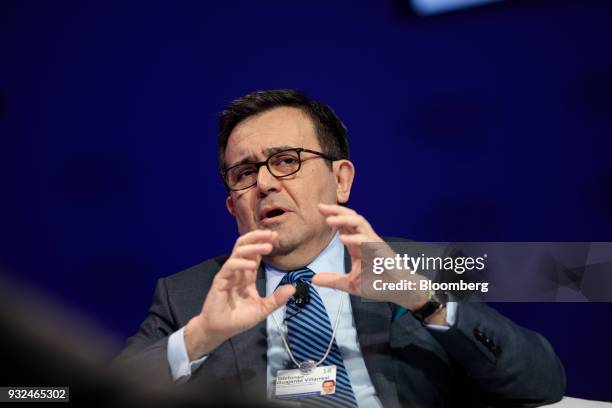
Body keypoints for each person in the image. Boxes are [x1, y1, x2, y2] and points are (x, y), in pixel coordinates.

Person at [115, 89, 566, 407]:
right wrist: (199, 339)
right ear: (233, 205)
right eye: (244, 173)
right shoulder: (188, 294)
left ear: (341, 180)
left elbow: (540, 382)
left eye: (286, 161)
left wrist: (425, 303)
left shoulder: (418, 266)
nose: (266, 183)